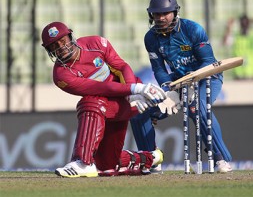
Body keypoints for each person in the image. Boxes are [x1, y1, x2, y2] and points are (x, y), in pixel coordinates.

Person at [41, 21, 168, 177]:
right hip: (112, 103)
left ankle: (82, 162)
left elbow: (122, 66)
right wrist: (133, 89)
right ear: (49, 51)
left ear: (70, 36)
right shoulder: (61, 76)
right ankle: (151, 157)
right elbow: (101, 88)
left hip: (131, 100)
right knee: (106, 165)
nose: (60, 47)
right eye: (53, 46)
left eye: (62, 41)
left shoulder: (95, 42)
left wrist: (133, 91)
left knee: (89, 102)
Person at [130, 0, 233, 173]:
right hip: (178, 82)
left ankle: (220, 158)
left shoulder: (192, 29)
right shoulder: (151, 38)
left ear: (175, 12)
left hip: (208, 78)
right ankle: (150, 160)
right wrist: (167, 89)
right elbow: (159, 69)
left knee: (197, 107)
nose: (161, 18)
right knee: (139, 112)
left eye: (165, 13)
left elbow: (208, 62)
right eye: (157, 14)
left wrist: (194, 81)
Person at [222, 14, 253, 79]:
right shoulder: (235, 36)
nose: (244, 25)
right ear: (240, 24)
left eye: (246, 23)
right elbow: (225, 42)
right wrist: (229, 27)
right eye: (243, 23)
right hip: (239, 75)